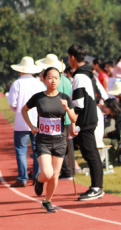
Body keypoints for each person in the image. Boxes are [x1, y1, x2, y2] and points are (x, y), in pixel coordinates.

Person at [22, 68, 77, 212]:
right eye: (50, 78)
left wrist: (67, 108)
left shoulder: (64, 97)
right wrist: (32, 126)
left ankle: (47, 201)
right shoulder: (38, 97)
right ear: (44, 79)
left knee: (55, 176)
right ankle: (39, 179)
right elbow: (24, 110)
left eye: (56, 78)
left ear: (60, 80)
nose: (53, 81)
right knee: (47, 173)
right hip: (43, 141)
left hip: (60, 140)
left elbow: (74, 118)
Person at [69, 44, 105, 201]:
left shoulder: (79, 76)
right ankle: (97, 187)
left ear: (72, 58)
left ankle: (97, 188)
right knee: (92, 154)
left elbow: (78, 103)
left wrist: (72, 121)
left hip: (84, 120)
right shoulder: (90, 74)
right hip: (92, 116)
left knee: (90, 154)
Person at [7, 57, 46, 188]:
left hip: (21, 121)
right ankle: (36, 176)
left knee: (21, 150)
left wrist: (18, 109)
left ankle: (22, 178)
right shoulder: (40, 83)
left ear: (21, 70)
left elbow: (12, 103)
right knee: (37, 149)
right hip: (37, 121)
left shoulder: (17, 83)